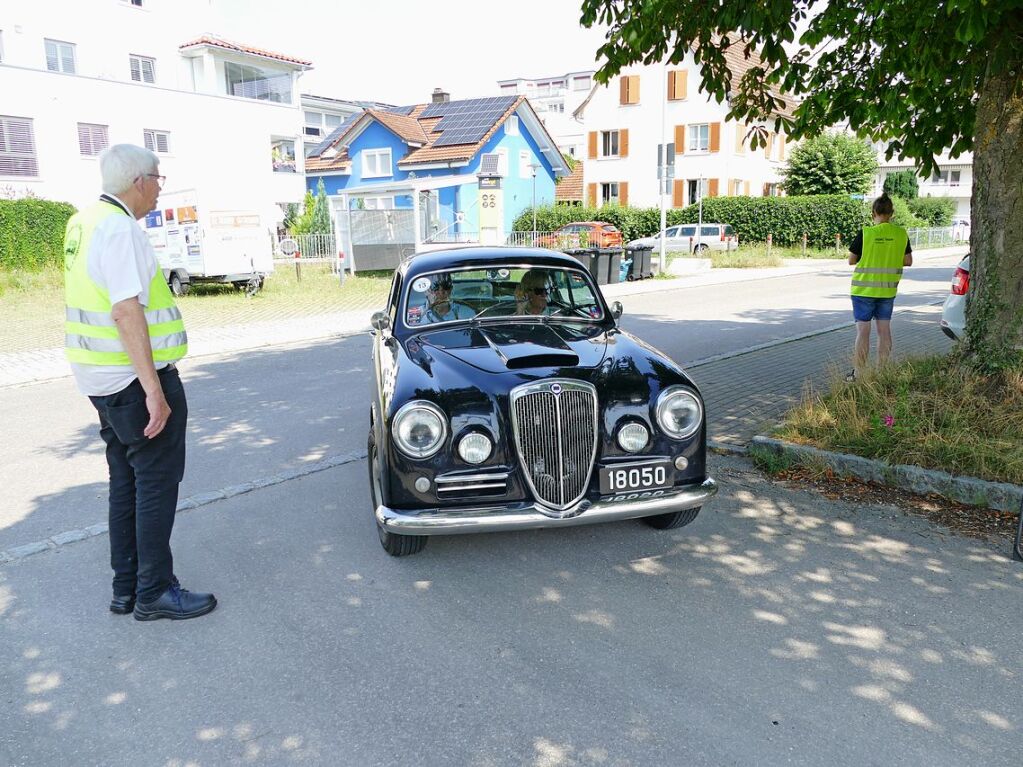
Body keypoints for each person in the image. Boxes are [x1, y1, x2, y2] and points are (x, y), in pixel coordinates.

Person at [63, 144, 216, 621]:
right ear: (138, 181)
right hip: (133, 381)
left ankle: (125, 588)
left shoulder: (82, 222)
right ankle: (153, 592)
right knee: (155, 484)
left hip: (99, 379)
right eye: (157, 179)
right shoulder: (120, 228)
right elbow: (126, 310)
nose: (158, 189)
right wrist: (154, 390)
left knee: (125, 481)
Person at [846, 192, 913, 381]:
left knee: (863, 331)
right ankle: (882, 372)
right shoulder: (901, 234)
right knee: (884, 330)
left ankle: (858, 374)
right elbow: (908, 261)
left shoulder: (866, 233)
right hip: (887, 291)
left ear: (873, 212)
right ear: (891, 213)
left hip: (863, 292)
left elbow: (851, 260)